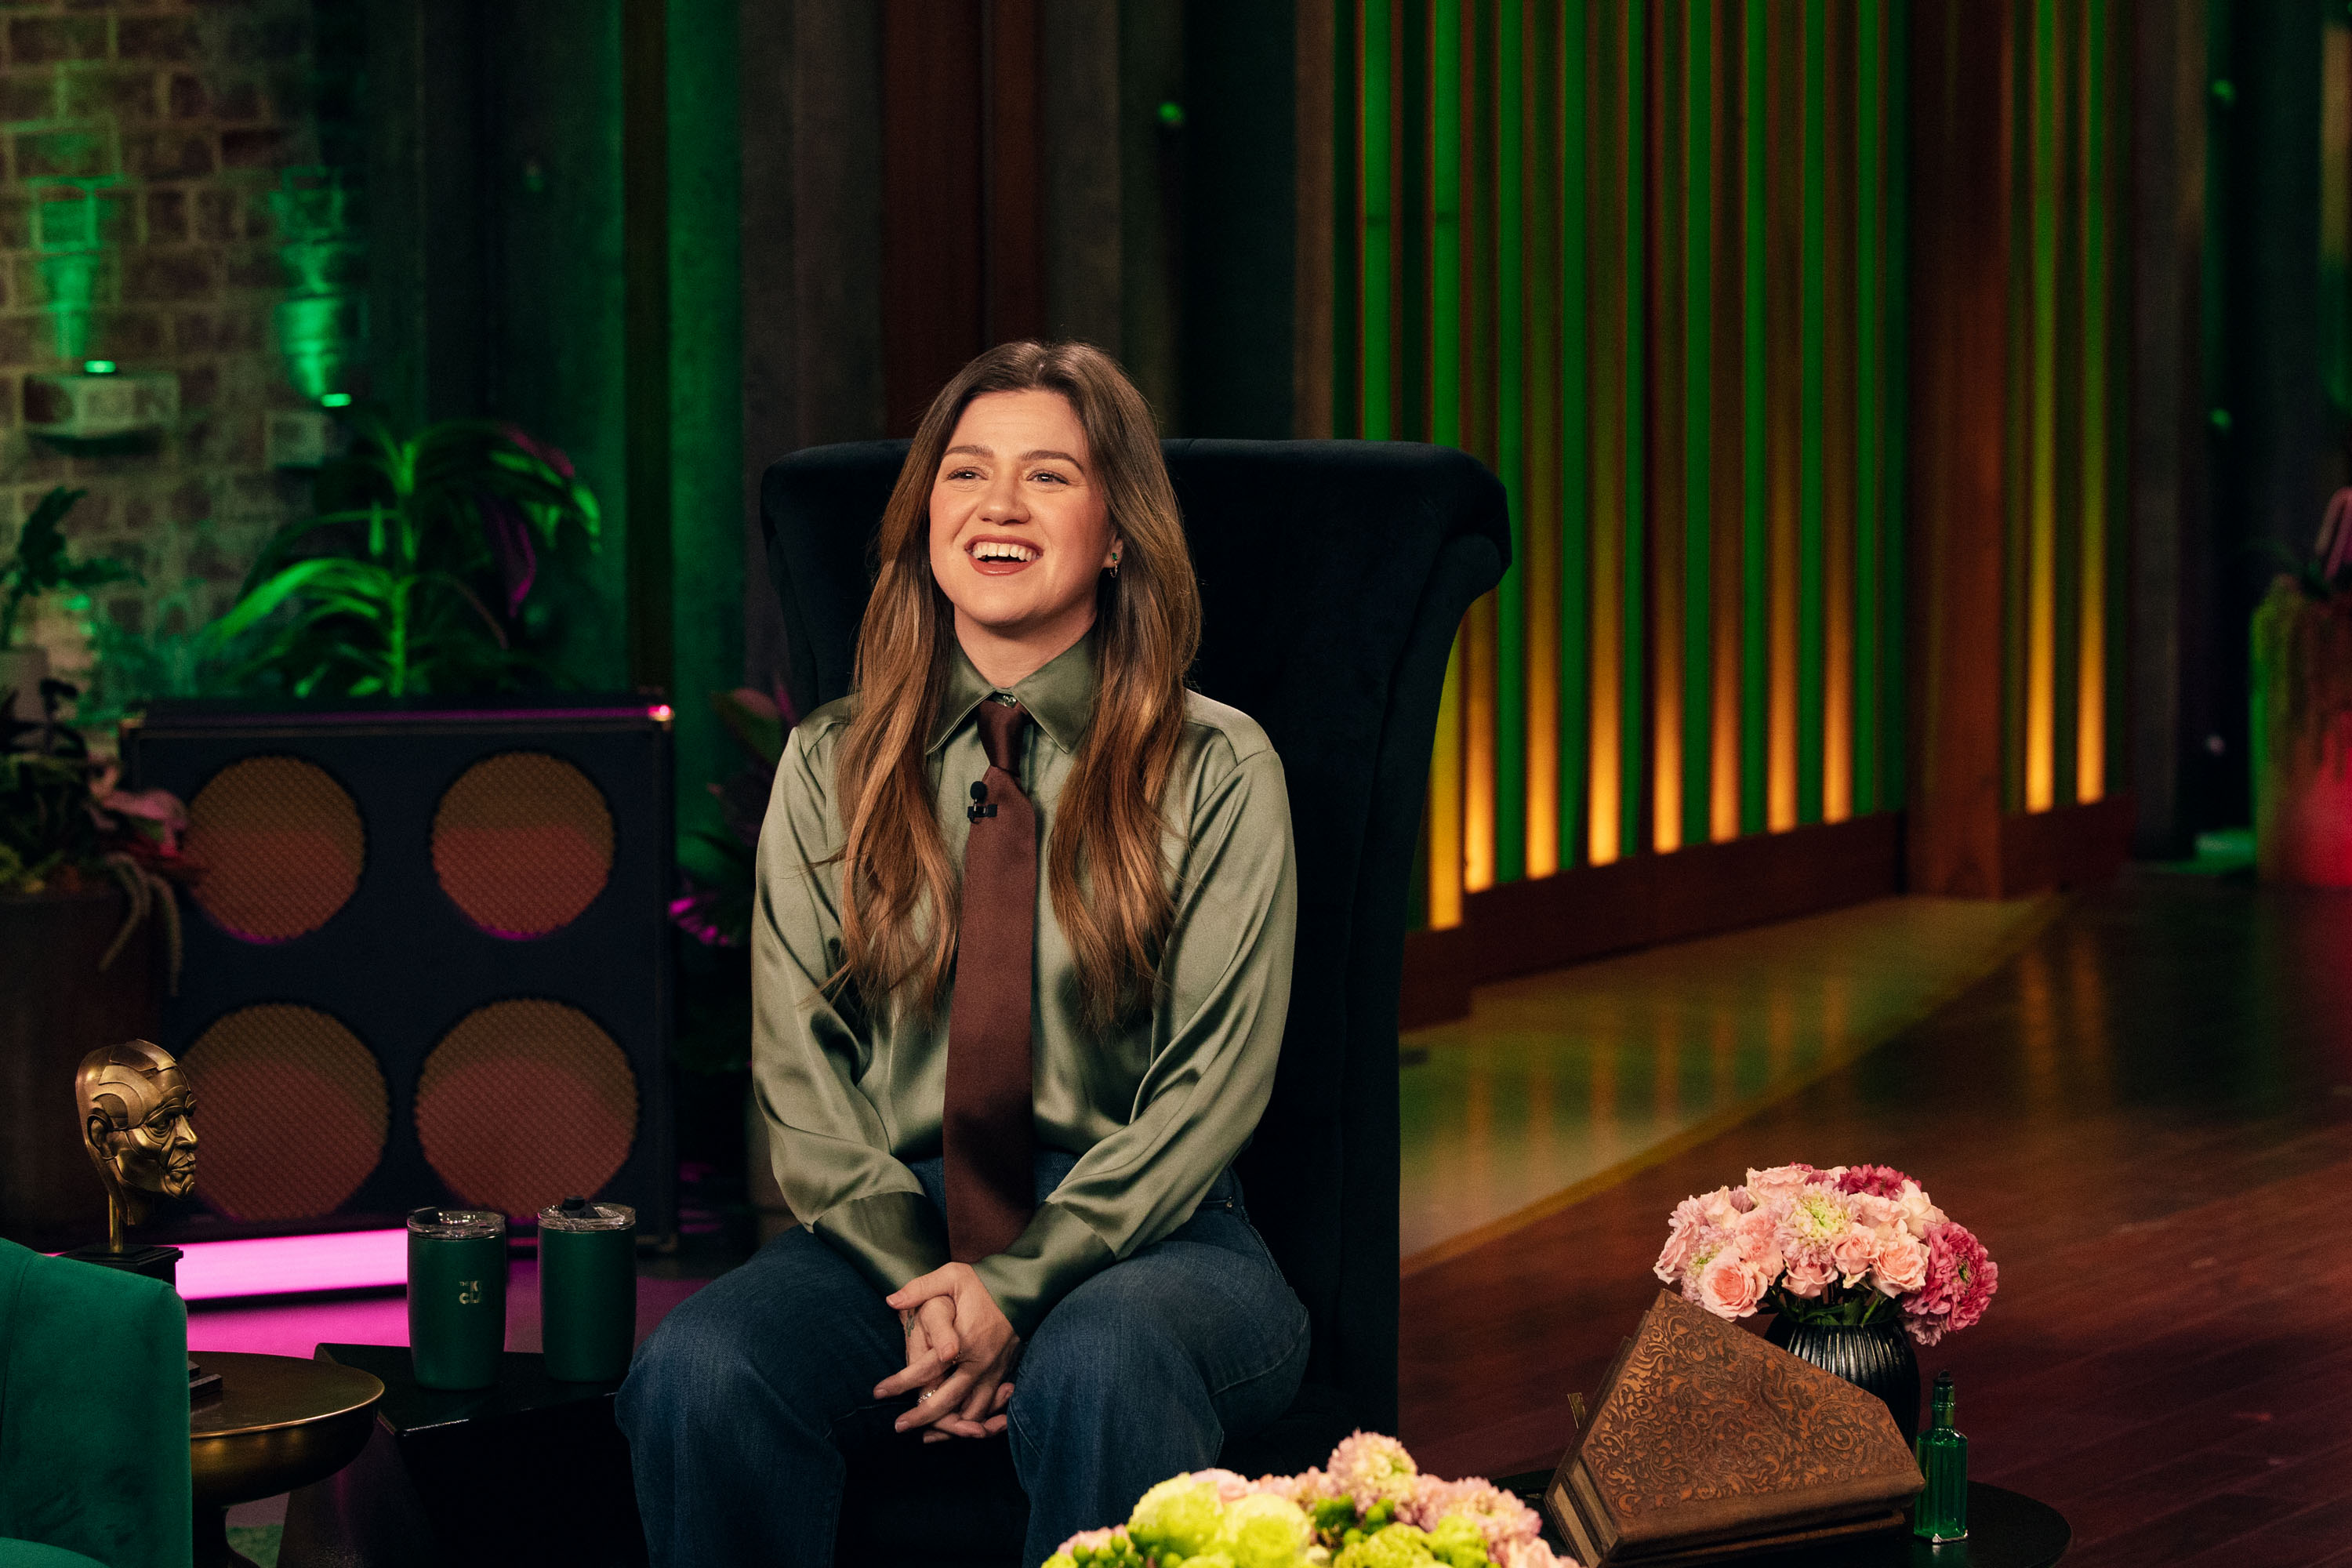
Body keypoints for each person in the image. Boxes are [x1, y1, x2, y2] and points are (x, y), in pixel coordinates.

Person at [619, 341, 1308, 1567]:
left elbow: (1211, 1092)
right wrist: (943, 1293)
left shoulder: (1218, 767)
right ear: (924, 519)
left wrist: (1022, 1282)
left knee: (1099, 1358)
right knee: (700, 1367)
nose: (997, 505)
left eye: (1048, 476)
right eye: (965, 473)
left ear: (1115, 533)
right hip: (896, 1230)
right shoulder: (834, 762)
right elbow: (801, 1076)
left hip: (1162, 1238)